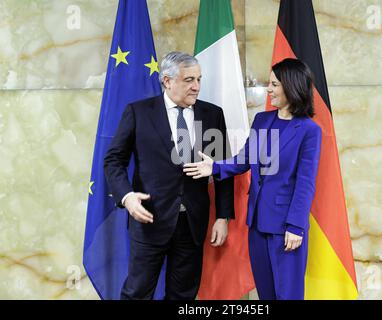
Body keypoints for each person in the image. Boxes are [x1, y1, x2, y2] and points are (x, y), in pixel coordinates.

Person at [184, 58, 322, 300]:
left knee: (288, 294)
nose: (269, 89)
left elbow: (305, 182)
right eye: (270, 84)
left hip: (287, 228)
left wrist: (296, 226)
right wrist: (214, 167)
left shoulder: (310, 131)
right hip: (257, 223)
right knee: (266, 294)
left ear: (292, 86)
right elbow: (244, 158)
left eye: (274, 84)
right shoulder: (262, 120)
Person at [104, 51, 234, 300]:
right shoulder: (139, 112)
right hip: (149, 219)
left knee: (183, 295)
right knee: (137, 293)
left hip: (192, 223)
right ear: (167, 81)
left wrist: (223, 216)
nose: (196, 87)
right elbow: (113, 160)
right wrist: (127, 197)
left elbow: (222, 168)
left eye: (199, 79)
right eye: (189, 80)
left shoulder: (212, 114)